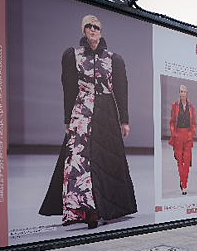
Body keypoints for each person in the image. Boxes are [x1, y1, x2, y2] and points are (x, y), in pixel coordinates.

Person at [40, 15, 137, 229]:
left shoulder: (113, 59)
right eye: (88, 26)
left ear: (101, 31)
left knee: (105, 160)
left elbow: (121, 91)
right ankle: (85, 209)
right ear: (84, 30)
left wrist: (125, 121)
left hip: (106, 112)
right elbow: (69, 88)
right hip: (82, 110)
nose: (93, 30)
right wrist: (68, 119)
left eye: (96, 26)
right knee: (79, 159)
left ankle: (104, 207)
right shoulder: (73, 56)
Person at [169, 85, 196, 195]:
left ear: (187, 93)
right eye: (181, 91)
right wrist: (174, 133)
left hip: (188, 136)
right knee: (180, 161)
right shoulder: (174, 106)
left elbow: (193, 123)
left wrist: (191, 133)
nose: (182, 93)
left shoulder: (191, 107)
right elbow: (172, 121)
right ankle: (183, 181)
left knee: (187, 161)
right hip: (178, 136)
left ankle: (184, 184)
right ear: (179, 93)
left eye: (184, 91)